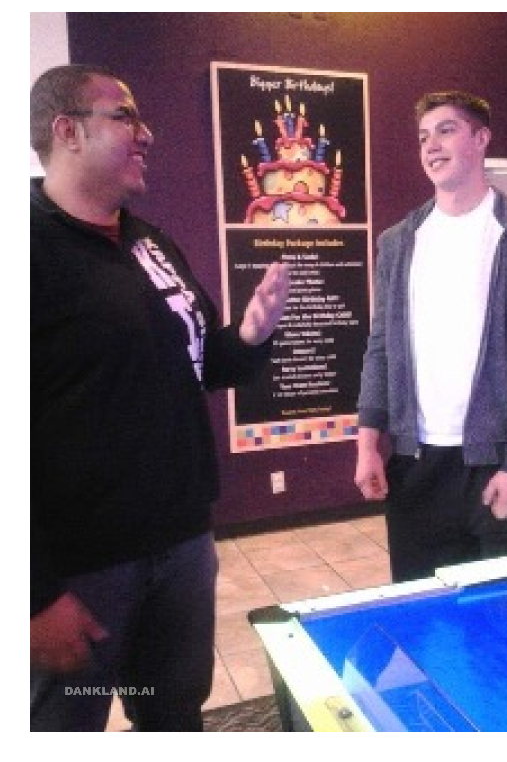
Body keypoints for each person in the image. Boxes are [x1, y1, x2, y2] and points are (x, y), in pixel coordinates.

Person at [30, 63, 289, 731]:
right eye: (125, 116)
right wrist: (33, 594)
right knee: (65, 728)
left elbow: (204, 364)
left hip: (181, 545)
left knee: (173, 715)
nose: (146, 133)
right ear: (67, 132)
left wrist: (252, 332)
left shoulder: (152, 242)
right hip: (80, 571)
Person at [355, 90, 507, 582]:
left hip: (499, 465)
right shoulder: (398, 244)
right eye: (423, 136)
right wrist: (367, 444)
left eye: (446, 130)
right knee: (428, 617)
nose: (432, 145)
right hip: (416, 467)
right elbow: (379, 348)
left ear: (481, 138)